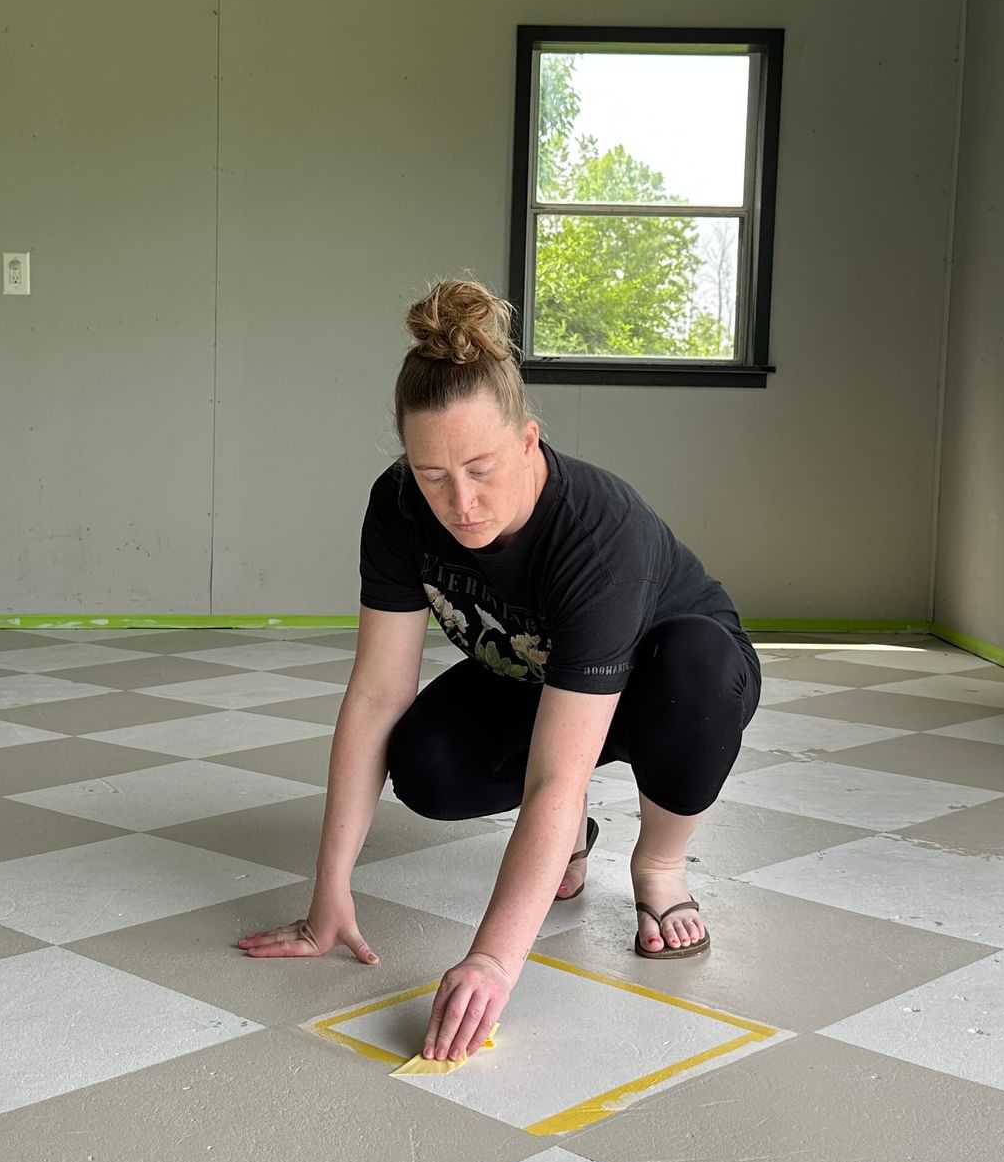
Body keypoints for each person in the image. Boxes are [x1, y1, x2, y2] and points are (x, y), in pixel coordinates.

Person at [237, 278, 764, 1067]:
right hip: (538, 677)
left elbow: (555, 775)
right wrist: (327, 893)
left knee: (701, 672)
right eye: (433, 475)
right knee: (424, 763)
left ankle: (658, 861)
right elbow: (378, 693)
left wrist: (491, 959)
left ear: (528, 441)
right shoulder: (398, 507)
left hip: (666, 681)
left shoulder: (597, 533)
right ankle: (571, 846)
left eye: (482, 467)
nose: (462, 502)